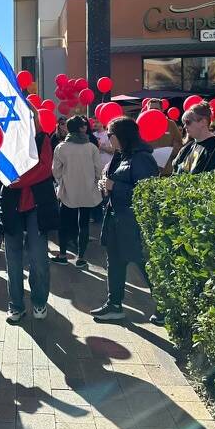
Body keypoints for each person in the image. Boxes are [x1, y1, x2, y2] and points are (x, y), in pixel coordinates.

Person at [90, 117, 160, 322]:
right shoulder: (122, 155)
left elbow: (146, 192)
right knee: (115, 263)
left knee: (143, 264)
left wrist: (114, 186)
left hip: (132, 222)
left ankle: (165, 307)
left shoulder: (141, 158)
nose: (107, 139)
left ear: (121, 136)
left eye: (110, 135)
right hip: (115, 218)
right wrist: (107, 186)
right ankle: (114, 304)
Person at [1, 109, 58, 324]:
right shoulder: (5, 141)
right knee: (13, 260)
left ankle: (39, 301)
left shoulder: (43, 139)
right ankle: (15, 305)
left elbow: (44, 170)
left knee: (38, 258)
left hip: (37, 207)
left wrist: (13, 179)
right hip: (10, 206)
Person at [51, 115, 105, 268]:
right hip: (88, 190)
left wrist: (62, 181)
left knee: (64, 223)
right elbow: (98, 170)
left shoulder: (61, 147)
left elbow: (56, 170)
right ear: (80, 128)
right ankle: (81, 257)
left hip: (68, 190)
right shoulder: (91, 147)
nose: (86, 127)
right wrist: (93, 182)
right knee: (84, 224)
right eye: (83, 125)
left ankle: (62, 255)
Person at [173, 102, 215, 174]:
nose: (185, 127)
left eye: (188, 122)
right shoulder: (187, 148)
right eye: (184, 123)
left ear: (203, 122)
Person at [145, 99, 183, 175]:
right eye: (151, 109)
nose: (153, 111)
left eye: (156, 109)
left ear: (162, 110)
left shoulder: (171, 124)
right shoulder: (142, 125)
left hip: (167, 171)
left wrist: (168, 153)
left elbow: (179, 145)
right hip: (147, 171)